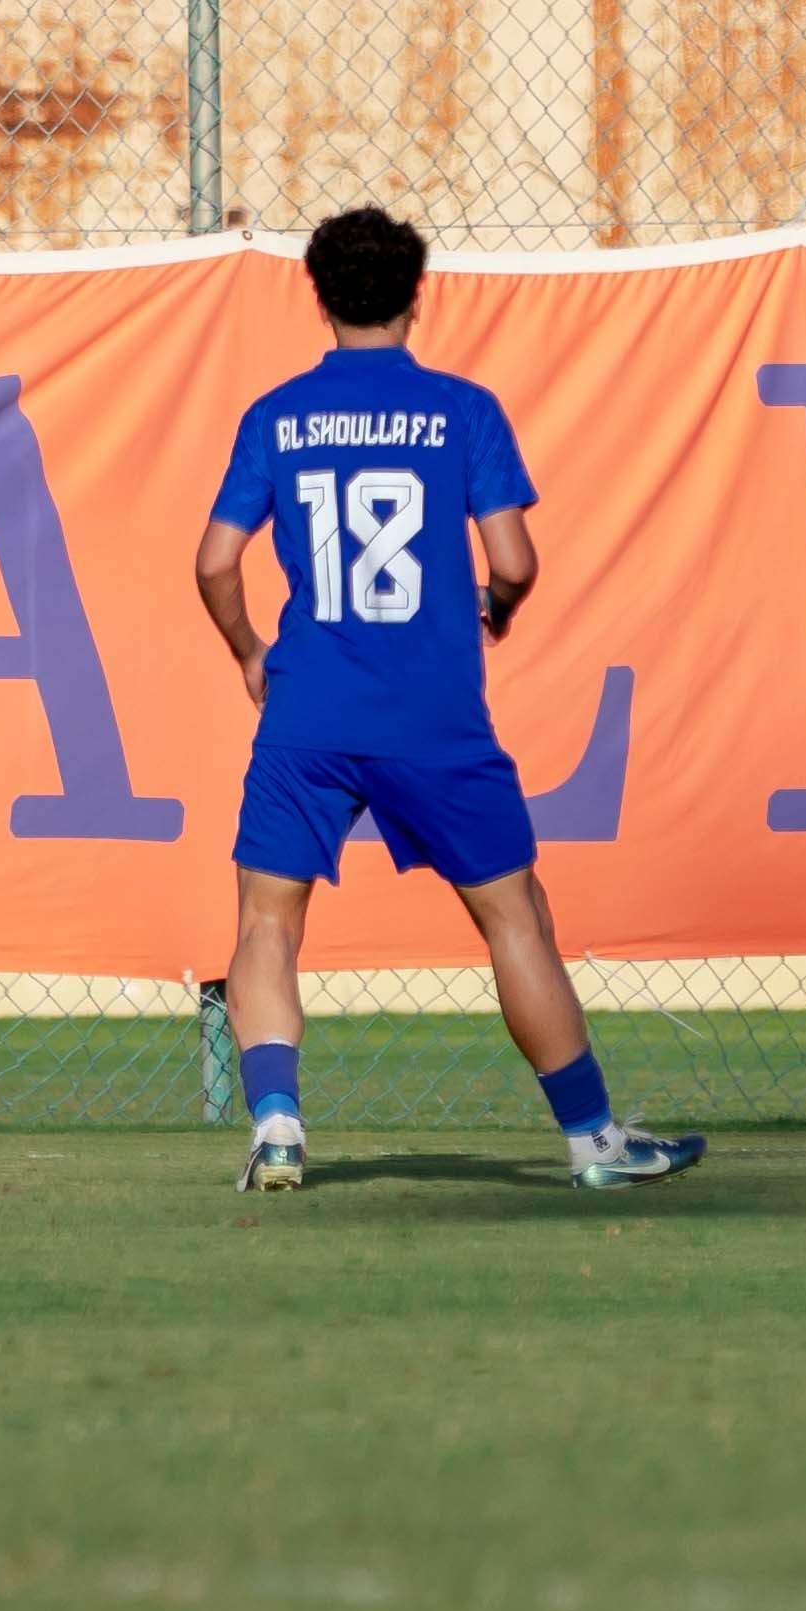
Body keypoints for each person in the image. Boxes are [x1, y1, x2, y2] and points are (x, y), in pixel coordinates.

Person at [193, 206, 702, 1193]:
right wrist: (495, 605)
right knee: (514, 917)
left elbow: (215, 561)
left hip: (312, 710)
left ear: (320, 294)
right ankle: (595, 1142)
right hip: (433, 714)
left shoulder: (277, 415)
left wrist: (254, 651)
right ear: (416, 293)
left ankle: (280, 1125)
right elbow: (513, 558)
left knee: (266, 920)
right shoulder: (463, 410)